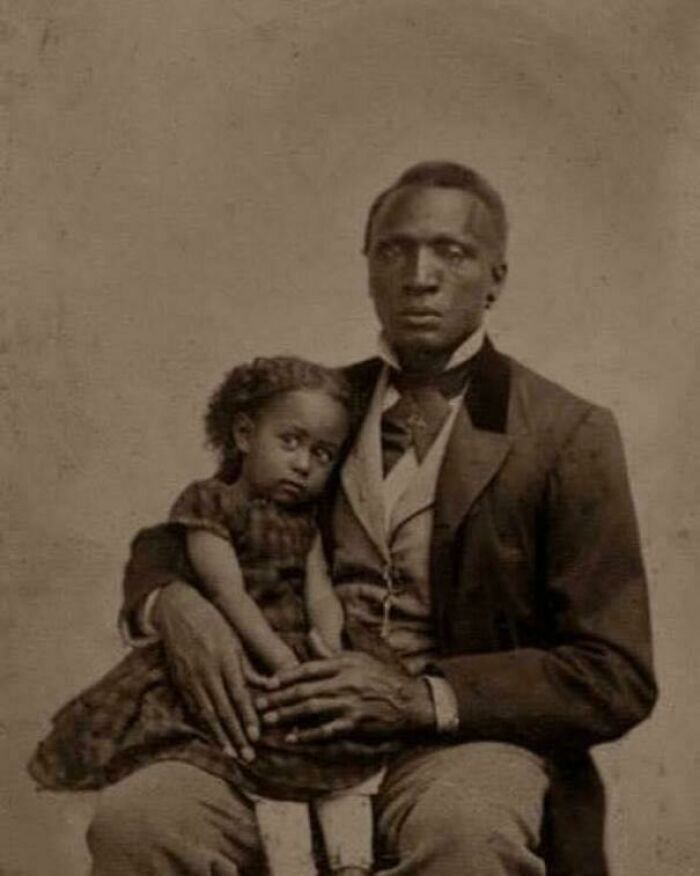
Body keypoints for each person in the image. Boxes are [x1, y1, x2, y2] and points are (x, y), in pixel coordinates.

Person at [86, 161, 657, 876]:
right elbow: (193, 524)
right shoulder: (316, 408)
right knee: (137, 822)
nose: (420, 275)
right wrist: (168, 602)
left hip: (460, 746)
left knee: (464, 830)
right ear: (368, 269)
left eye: (453, 252)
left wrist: (422, 698)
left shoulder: (567, 433)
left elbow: (615, 673)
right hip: (281, 730)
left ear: (496, 279)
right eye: (395, 249)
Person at [30, 356, 405, 876]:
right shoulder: (215, 503)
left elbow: (321, 591)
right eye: (290, 443)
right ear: (245, 433)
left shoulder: (305, 522)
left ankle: (349, 859)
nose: (303, 464)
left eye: (322, 454)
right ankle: (292, 858)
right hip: (252, 651)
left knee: (333, 748)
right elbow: (226, 591)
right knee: (256, 744)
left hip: (318, 658)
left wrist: (331, 645)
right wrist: (280, 659)